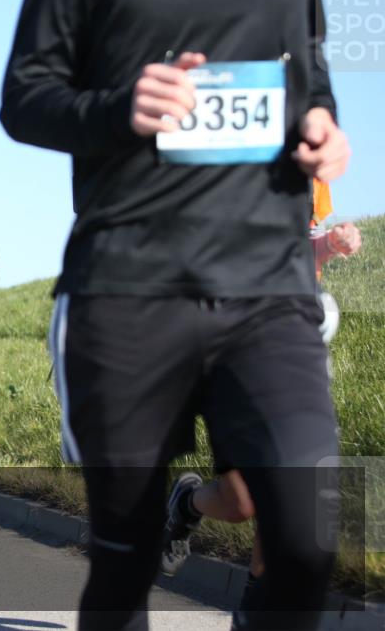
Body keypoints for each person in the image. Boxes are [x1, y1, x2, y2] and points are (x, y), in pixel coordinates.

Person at [0, 0, 350, 629]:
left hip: (268, 286)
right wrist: (118, 106)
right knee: (124, 563)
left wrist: (322, 122)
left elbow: (310, 70)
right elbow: (24, 97)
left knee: (307, 533)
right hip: (128, 288)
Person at [160, 214, 363, 628]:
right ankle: (186, 502)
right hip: (231, 359)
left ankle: (254, 608)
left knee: (287, 500)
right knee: (242, 504)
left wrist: (329, 244)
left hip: (295, 359)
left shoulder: (296, 174)